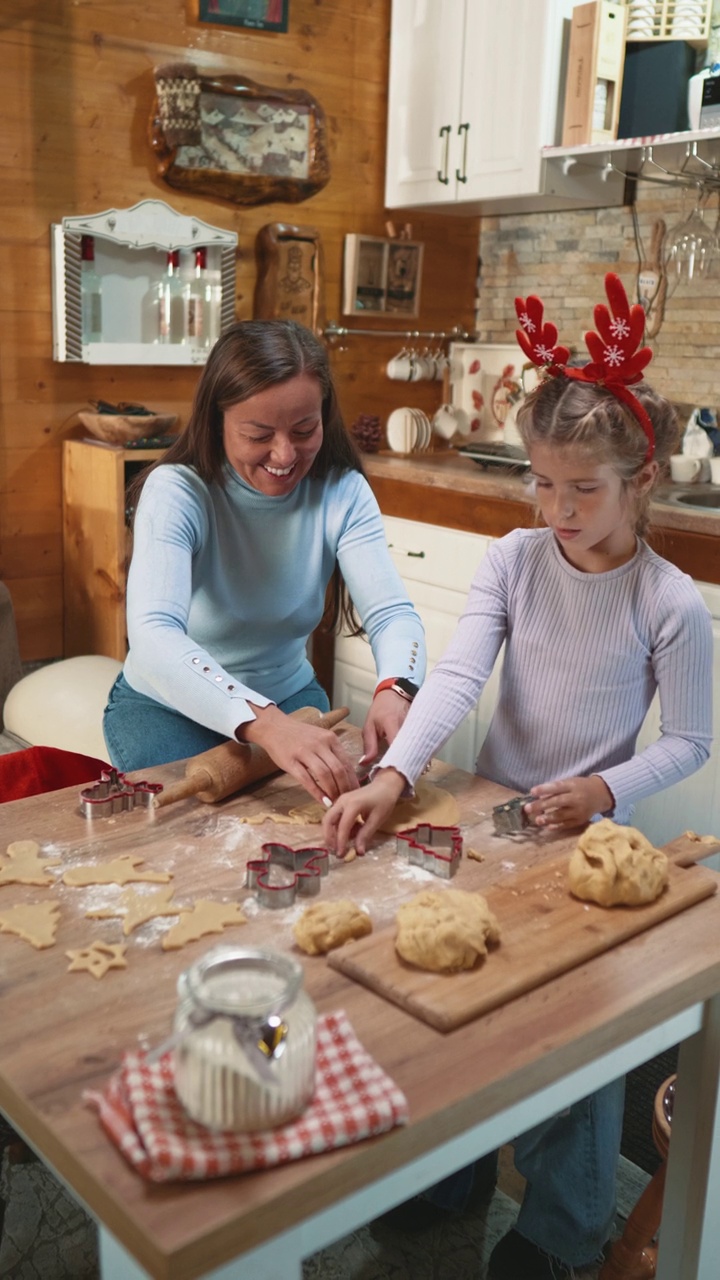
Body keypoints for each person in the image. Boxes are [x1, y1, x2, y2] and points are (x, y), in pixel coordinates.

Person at [322, 274, 713, 1280]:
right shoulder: (512, 559)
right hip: (495, 818)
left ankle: (564, 1224)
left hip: (584, 838)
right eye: (543, 483)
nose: (560, 508)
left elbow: (694, 740)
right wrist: (395, 778)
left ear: (642, 478)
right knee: (465, 1006)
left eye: (584, 488)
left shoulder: (671, 603)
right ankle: (450, 1174)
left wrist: (609, 788)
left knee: (572, 1036)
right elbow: (454, 678)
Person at [103, 319, 426, 805]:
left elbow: (392, 614)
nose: (285, 454)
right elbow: (152, 634)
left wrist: (396, 689)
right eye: (258, 434)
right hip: (165, 708)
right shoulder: (177, 490)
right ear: (217, 421)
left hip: (292, 704)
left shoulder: (342, 491)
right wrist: (265, 723)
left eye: (304, 429)